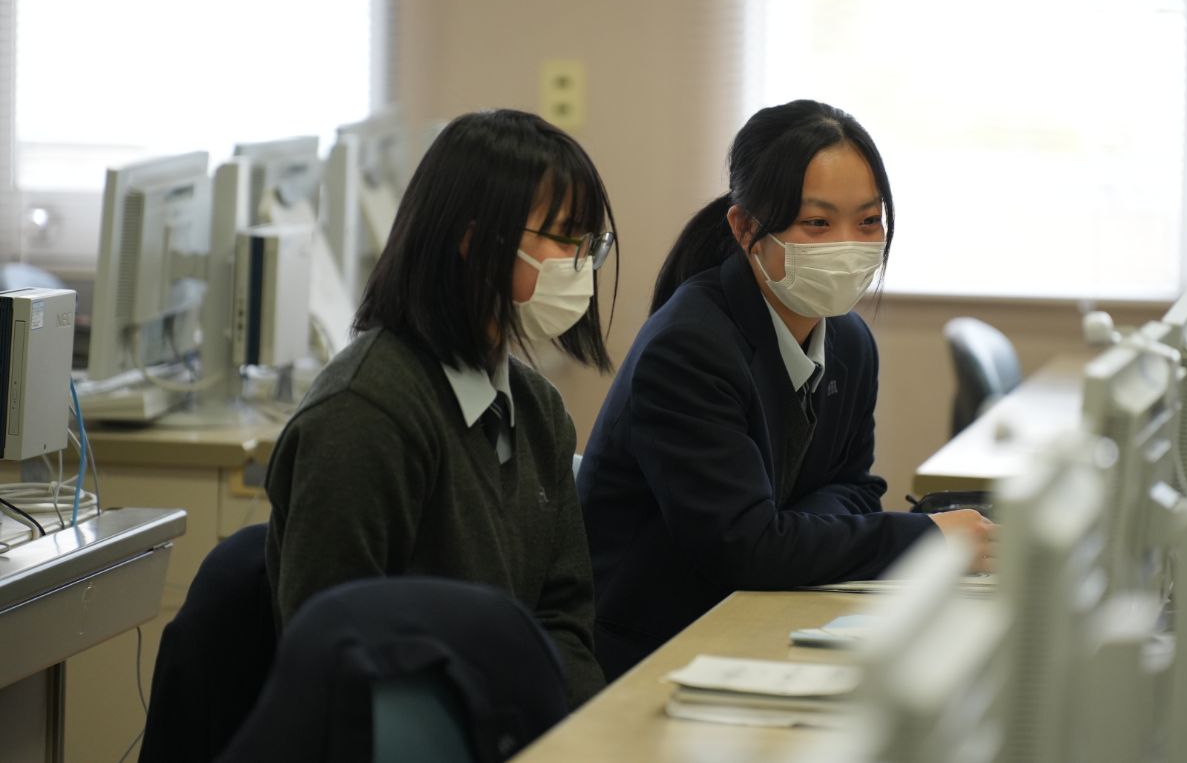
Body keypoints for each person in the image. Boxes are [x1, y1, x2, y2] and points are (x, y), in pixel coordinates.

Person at [577, 99, 994, 680]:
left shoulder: (850, 342)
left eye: (869, 221)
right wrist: (924, 538)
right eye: (817, 223)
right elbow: (745, 547)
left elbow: (854, 487)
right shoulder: (689, 347)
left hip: (768, 613)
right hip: (658, 650)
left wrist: (792, 530)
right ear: (746, 227)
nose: (849, 244)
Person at [263, 109, 618, 708]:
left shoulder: (536, 410)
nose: (579, 262)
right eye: (563, 238)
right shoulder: (364, 415)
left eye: (590, 244)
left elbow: (564, 621)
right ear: (475, 241)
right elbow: (333, 661)